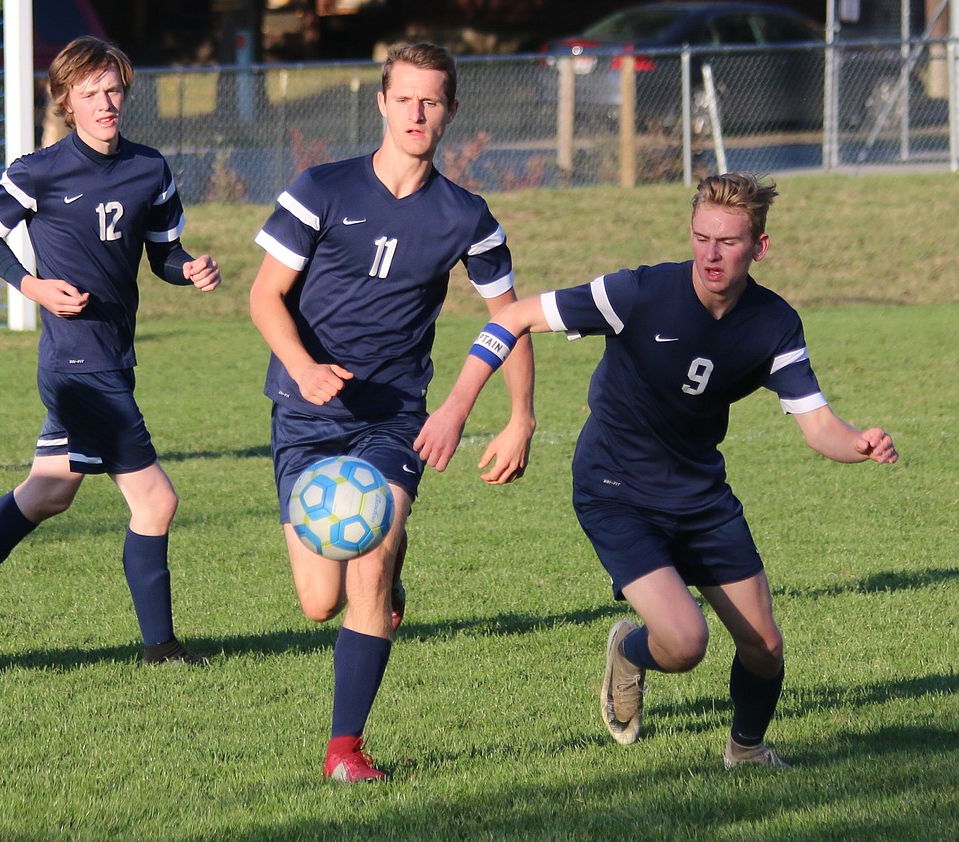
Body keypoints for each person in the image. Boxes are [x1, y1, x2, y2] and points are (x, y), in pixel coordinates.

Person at [416, 172, 899, 769]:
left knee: (765, 644)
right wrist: (460, 409)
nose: (712, 254)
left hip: (699, 494)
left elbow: (818, 425)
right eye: (701, 237)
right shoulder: (639, 293)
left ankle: (746, 751)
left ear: (760, 247)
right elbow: (512, 317)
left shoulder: (774, 324)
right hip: (616, 489)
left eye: (728, 242)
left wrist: (859, 443)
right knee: (685, 642)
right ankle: (630, 651)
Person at [249, 42, 535, 782]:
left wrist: (520, 418)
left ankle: (345, 751)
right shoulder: (322, 188)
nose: (416, 112)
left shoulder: (466, 216)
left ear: (450, 111)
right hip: (306, 413)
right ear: (380, 102)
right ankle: (385, 570)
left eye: (431, 100)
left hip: (393, 418)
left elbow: (512, 317)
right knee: (318, 601)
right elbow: (264, 296)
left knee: (367, 560)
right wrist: (306, 368)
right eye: (403, 97)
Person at [0, 36, 220, 671]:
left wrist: (193, 269)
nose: (105, 103)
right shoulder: (39, 170)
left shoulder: (150, 169)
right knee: (156, 502)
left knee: (47, 492)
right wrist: (33, 285)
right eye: (90, 93)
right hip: (75, 364)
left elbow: (164, 257)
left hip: (112, 354)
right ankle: (162, 650)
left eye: (113, 89)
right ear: (66, 100)